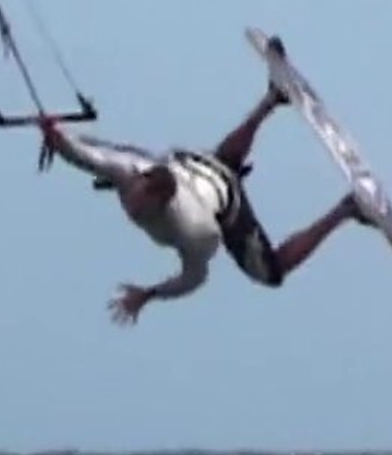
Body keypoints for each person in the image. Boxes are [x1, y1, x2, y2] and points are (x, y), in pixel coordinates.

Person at [37, 38, 373, 326]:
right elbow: (84, 157)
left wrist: (149, 295)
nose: (135, 200)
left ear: (161, 204)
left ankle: (347, 209)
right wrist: (56, 136)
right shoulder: (129, 172)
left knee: (271, 273)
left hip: (224, 201)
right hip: (191, 164)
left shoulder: (195, 231)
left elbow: (193, 279)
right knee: (203, 163)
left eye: (143, 200)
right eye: (138, 192)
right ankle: (272, 98)